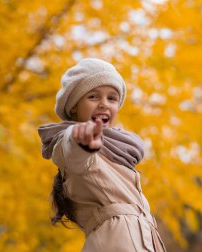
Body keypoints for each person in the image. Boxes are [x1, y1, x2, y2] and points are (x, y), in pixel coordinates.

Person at [38, 58, 167, 252]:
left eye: (112, 98)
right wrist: (81, 141)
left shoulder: (118, 154)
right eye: (93, 97)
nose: (104, 104)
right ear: (73, 106)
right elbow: (74, 153)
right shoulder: (74, 145)